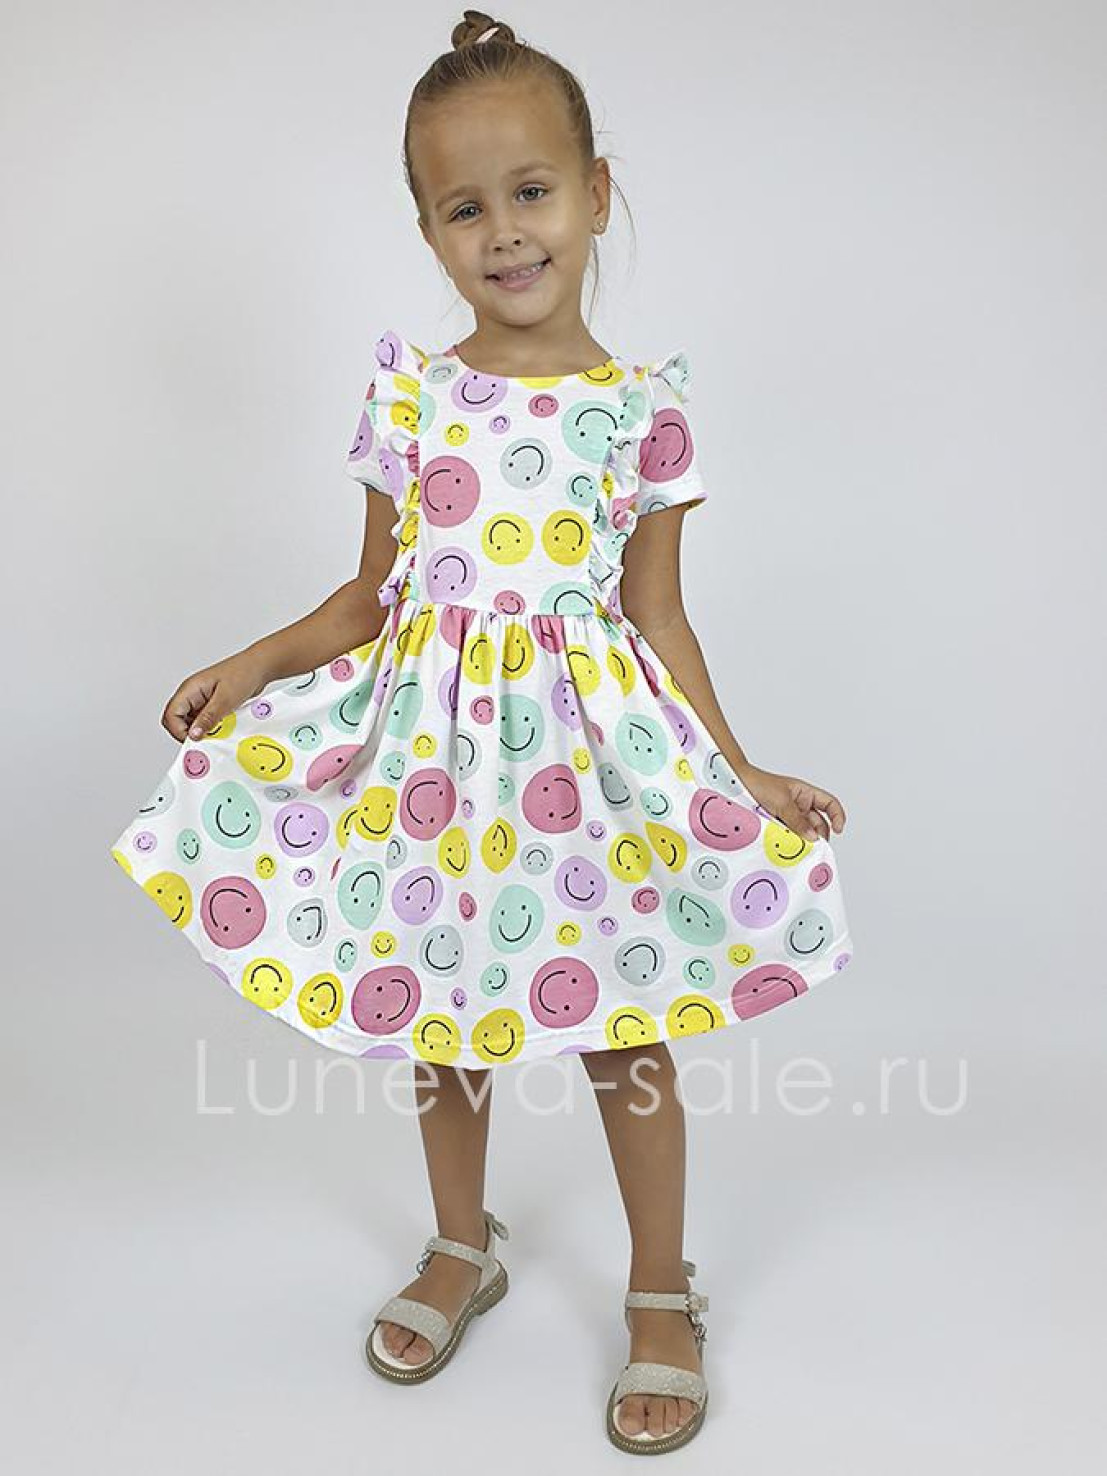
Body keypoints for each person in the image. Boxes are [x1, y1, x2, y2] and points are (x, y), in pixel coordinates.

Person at [108, 8, 854, 1454]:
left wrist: (739, 773)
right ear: (429, 230)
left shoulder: (640, 412)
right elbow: (368, 596)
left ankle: (661, 1288)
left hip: (587, 777)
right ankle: (465, 1244)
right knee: (438, 1015)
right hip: (436, 772)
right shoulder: (415, 391)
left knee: (626, 1029)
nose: (506, 232)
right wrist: (251, 665)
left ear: (596, 193)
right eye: (466, 208)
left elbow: (660, 619)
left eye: (533, 193)